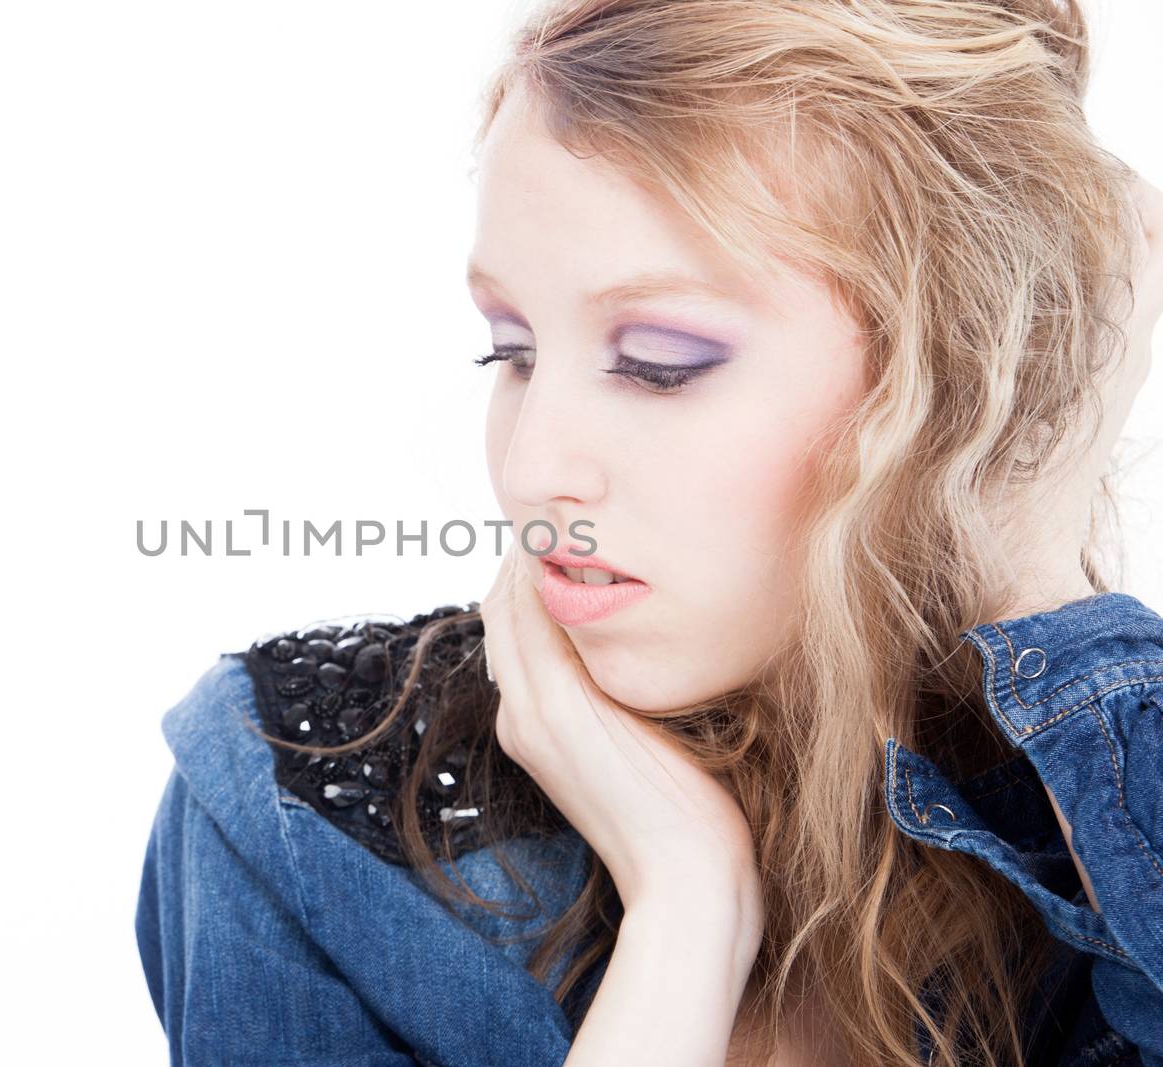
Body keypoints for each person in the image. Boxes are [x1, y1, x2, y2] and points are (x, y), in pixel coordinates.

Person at [135, 1, 1163, 1063]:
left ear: (949, 381)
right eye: (511, 349)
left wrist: (1032, 550)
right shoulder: (305, 798)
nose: (533, 469)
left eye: (659, 359)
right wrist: (686, 910)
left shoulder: (1095, 818)